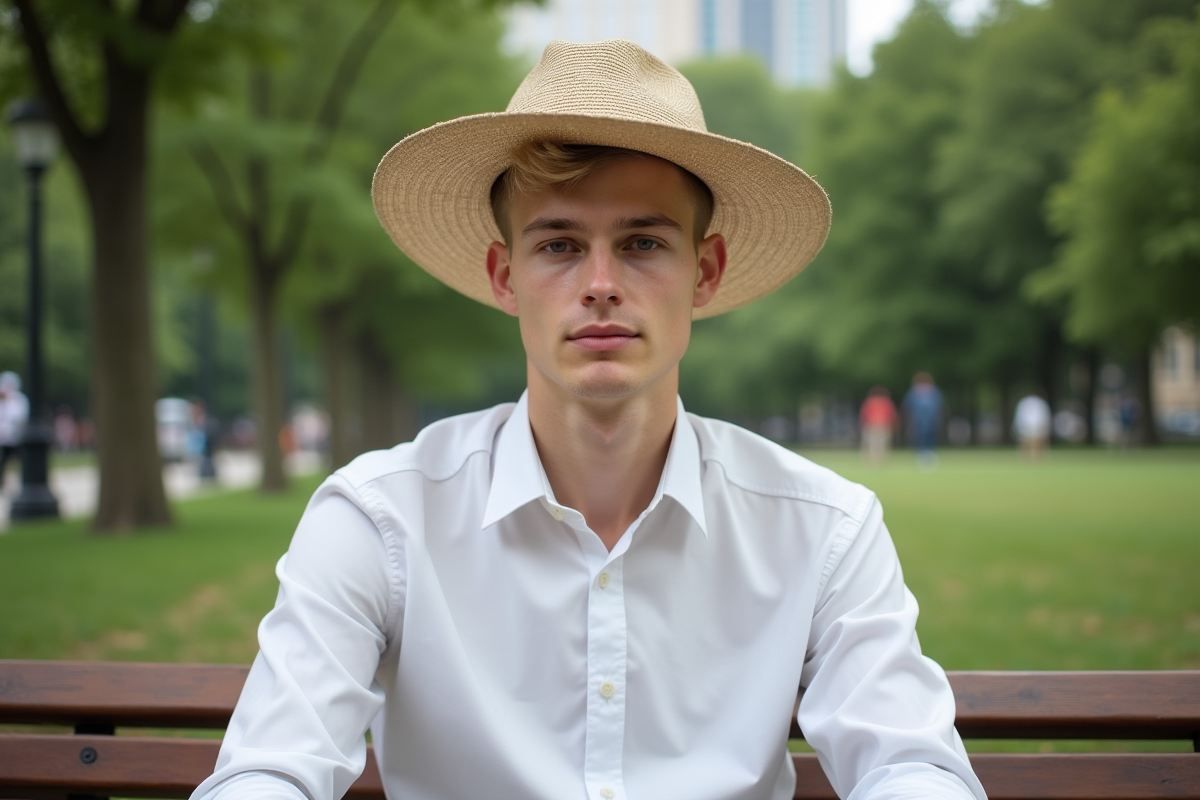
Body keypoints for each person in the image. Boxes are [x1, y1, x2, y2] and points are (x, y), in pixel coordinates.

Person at [192, 40, 984, 800]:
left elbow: (909, 765)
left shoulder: (823, 529)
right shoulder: (381, 519)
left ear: (705, 271)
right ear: (505, 276)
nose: (601, 283)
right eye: (560, 246)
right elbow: (271, 769)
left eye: (642, 242)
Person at [903, 371, 944, 469]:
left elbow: (939, 407)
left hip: (931, 421)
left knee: (931, 438)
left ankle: (931, 456)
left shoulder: (934, 391)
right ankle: (920, 456)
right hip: (918, 422)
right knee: (919, 438)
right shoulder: (913, 392)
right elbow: (908, 408)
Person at [0, 371, 29, 490]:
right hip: (2, 438)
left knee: (20, 462)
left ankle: (22, 482)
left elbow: (20, 418)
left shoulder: (19, 400)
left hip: (16, 437)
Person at [859, 386, 897, 464]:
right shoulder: (887, 402)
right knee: (882, 442)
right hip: (884, 424)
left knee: (872, 443)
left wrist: (863, 423)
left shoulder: (870, 402)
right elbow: (892, 414)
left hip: (872, 424)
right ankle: (882, 459)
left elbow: (864, 414)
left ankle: (872, 458)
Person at [1013, 393, 1051, 460]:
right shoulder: (1040, 403)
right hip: (1032, 424)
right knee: (1028, 441)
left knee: (1034, 441)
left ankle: (1033, 457)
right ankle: (1029, 457)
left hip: (1032, 424)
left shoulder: (1024, 402)